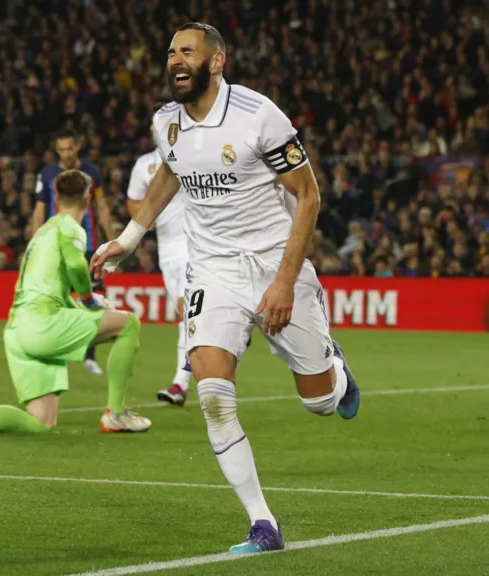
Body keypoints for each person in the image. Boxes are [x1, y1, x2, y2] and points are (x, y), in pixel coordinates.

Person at [91, 22, 361, 555]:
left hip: (274, 264)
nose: (175, 60)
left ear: (217, 62)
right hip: (212, 270)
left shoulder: (258, 115)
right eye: (171, 52)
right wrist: (128, 237)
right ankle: (264, 524)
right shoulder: (165, 122)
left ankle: (334, 367)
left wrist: (284, 283)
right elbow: (171, 171)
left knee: (321, 404)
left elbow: (308, 197)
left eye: (187, 51)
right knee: (213, 394)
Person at [0, 169, 150, 434]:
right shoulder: (71, 228)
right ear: (88, 202)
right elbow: (77, 266)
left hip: (17, 331)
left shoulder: (42, 233)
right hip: (42, 326)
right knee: (128, 324)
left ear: (56, 197)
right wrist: (89, 298)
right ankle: (116, 414)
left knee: (40, 423)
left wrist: (78, 303)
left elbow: (52, 291)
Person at [31, 128, 114, 376]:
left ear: (78, 146)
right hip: (56, 248)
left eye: (70, 148)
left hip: (88, 248)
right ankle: (59, 352)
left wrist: (112, 243)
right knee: (58, 302)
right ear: (56, 150)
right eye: (61, 150)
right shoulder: (47, 174)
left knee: (94, 301)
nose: (66, 154)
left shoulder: (92, 173)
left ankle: (89, 357)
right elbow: (38, 211)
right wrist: (35, 244)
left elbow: (102, 207)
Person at [126, 128, 193, 405]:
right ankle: (237, 331)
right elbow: (132, 200)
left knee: (185, 312)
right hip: (167, 248)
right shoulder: (145, 165)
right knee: (186, 316)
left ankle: (180, 384)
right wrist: (143, 218)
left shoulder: (192, 154)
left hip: (195, 242)